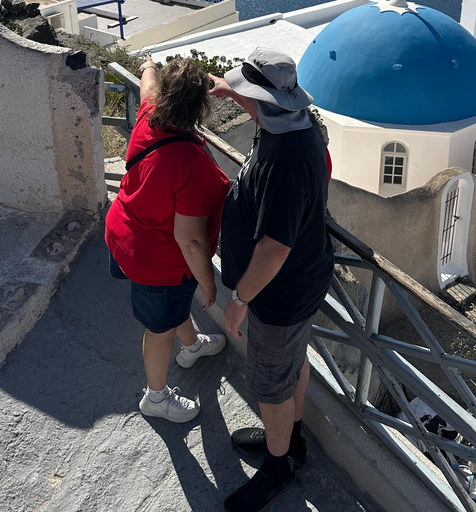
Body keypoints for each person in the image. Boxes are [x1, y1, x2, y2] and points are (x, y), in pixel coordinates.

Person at [209, 48, 334, 511]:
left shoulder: (283, 161)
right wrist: (227, 87)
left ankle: (279, 465)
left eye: (244, 94)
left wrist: (240, 299)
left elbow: (275, 248)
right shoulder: (297, 125)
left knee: (271, 384)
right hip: (303, 282)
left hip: (277, 296)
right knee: (292, 363)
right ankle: (292, 440)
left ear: (260, 100)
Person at [105, 55, 231, 423]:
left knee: (168, 307)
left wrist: (148, 66)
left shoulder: (148, 116)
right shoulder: (191, 163)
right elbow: (189, 240)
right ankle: (156, 399)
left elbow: (147, 86)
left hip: (124, 234)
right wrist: (209, 282)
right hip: (157, 259)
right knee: (158, 329)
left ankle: (190, 347)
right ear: (199, 108)